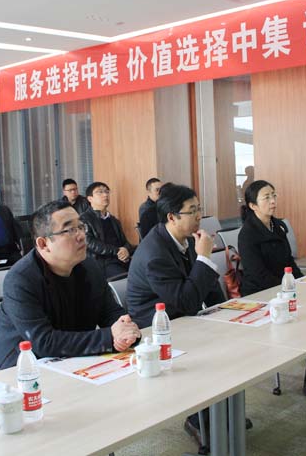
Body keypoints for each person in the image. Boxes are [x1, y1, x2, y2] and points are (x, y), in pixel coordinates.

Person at [0, 200, 141, 374]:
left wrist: (125, 330)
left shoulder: (90, 267)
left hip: (68, 364)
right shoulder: (20, 279)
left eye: (81, 227)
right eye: (69, 230)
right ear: (43, 244)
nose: (81, 235)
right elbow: (43, 341)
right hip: (14, 372)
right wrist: (109, 337)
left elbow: (109, 313)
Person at [126, 183, 225, 447]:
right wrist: (204, 258)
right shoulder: (155, 252)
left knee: (227, 339)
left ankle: (219, 410)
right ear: (172, 217)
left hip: (179, 316)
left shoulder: (185, 238)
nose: (199, 216)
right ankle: (198, 418)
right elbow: (187, 301)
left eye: (199, 209)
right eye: (192, 211)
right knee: (207, 350)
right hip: (153, 327)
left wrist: (225, 313)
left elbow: (205, 288)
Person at [238, 180, 306, 404]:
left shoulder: (278, 226)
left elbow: (289, 261)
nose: (273, 201)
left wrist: (303, 283)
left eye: (274, 195)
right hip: (261, 295)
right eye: (266, 197)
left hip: (284, 289)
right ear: (253, 205)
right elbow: (257, 274)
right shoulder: (247, 234)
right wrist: (287, 292)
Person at [81, 182, 134, 279]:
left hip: (121, 258)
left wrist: (126, 250)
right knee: (124, 279)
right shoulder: (84, 219)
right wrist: (117, 251)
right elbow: (89, 243)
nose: (105, 195)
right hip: (102, 261)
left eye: (106, 191)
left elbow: (125, 241)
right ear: (90, 198)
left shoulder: (114, 220)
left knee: (143, 271)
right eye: (100, 192)